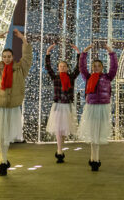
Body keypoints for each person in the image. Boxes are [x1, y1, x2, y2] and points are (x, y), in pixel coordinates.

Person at [0, 29, 32, 176]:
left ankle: (3, 159)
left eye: (9, 56)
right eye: (4, 56)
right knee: (0, 134)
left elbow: (27, 58)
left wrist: (23, 39)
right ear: (2, 57)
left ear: (12, 57)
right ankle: (2, 159)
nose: (6, 58)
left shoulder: (20, 69)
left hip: (12, 107)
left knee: (8, 134)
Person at [78, 43, 117, 171]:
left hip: (103, 108)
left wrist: (111, 53)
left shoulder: (107, 77)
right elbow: (82, 68)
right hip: (92, 107)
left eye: (99, 66)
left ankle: (96, 158)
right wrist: (84, 53)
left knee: (99, 133)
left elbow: (114, 67)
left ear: (102, 67)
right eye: (94, 66)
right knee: (93, 133)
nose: (96, 68)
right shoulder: (88, 77)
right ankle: (93, 158)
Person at [45, 43, 80, 163]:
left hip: (67, 105)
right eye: (60, 66)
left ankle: (60, 149)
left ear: (67, 68)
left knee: (65, 130)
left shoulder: (71, 77)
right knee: (59, 129)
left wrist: (78, 54)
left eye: (64, 66)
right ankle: (59, 150)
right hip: (58, 106)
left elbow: (78, 68)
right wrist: (48, 54)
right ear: (58, 68)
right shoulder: (55, 77)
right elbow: (48, 68)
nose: (62, 68)